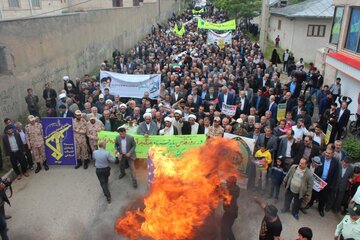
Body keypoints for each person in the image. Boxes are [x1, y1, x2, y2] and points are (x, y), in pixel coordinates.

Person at [306, 147, 339, 217]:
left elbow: (336, 174)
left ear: (333, 154)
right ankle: (310, 203)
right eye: (326, 152)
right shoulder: (320, 158)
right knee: (314, 193)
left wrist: (332, 185)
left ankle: (320, 209)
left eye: (329, 153)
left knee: (323, 197)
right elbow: (313, 167)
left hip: (327, 182)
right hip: (318, 180)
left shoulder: (336, 162)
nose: (327, 154)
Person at [221, 176, 240, 240]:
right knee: (223, 226)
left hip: (231, 213)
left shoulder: (232, 191)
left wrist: (218, 187)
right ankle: (223, 238)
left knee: (227, 229)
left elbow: (226, 192)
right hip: (229, 211)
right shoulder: (234, 188)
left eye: (228, 182)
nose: (226, 183)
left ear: (232, 183)